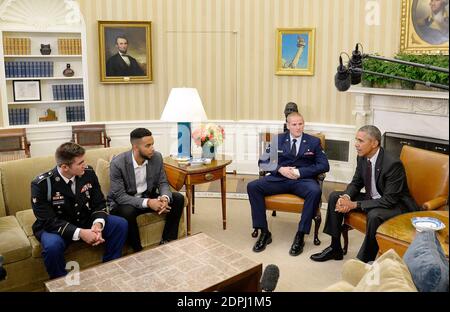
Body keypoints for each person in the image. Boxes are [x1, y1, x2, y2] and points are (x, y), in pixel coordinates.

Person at [310, 125, 419, 264]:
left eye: (360, 141)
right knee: (334, 198)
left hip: (397, 206)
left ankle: (364, 261)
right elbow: (356, 182)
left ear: (374, 143)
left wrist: (354, 204)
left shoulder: (393, 164)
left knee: (374, 215)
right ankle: (335, 248)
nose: (356, 144)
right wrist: (346, 197)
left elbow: (389, 200)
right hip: (374, 199)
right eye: (356, 140)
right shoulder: (362, 157)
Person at [31, 142, 128, 279]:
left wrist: (97, 224)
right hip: (56, 227)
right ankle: (61, 284)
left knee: (120, 224)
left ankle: (110, 270)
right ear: (64, 167)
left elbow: (99, 202)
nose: (85, 164)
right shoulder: (41, 184)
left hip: (84, 219)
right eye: (80, 163)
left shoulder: (88, 173)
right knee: (52, 246)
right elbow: (48, 221)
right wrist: (81, 233)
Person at [247, 112, 330, 256]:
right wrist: (280, 169)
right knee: (253, 186)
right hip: (280, 178)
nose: (298, 127)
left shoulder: (313, 142)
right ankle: (264, 232)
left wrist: (301, 172)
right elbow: (263, 162)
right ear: (288, 125)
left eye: (301, 124)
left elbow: (324, 165)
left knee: (315, 191)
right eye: (294, 124)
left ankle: (301, 235)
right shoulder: (277, 140)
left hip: (302, 180)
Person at [108, 128, 184, 252]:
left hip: (148, 197)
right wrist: (149, 203)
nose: (152, 148)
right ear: (135, 147)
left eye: (152, 144)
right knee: (127, 211)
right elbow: (120, 196)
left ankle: (167, 241)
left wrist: (164, 198)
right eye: (148, 146)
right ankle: (138, 250)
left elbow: (162, 182)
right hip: (126, 203)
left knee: (178, 198)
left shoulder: (157, 157)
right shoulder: (118, 163)